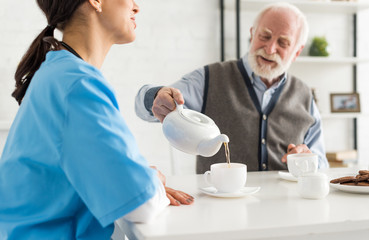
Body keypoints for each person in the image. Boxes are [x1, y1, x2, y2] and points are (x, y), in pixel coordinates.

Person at [0, 0, 193, 239]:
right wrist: (153, 179)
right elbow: (139, 205)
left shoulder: (58, 73)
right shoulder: (76, 84)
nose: (136, 6)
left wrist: (138, 179)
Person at [135, 2, 329, 174]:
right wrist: (156, 96)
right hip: (218, 208)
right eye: (265, 36)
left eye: (283, 43)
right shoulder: (209, 78)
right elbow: (148, 108)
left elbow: (321, 163)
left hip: (284, 208)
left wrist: (307, 159)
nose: (270, 49)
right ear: (252, 33)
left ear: (297, 51)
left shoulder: (304, 94)